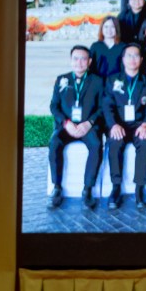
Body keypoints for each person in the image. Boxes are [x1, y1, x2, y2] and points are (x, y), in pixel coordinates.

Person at [46, 46, 104, 209]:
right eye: (76, 58)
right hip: (67, 126)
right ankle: (57, 188)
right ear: (71, 61)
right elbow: (54, 106)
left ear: (89, 61)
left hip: (87, 127)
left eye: (83, 59)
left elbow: (101, 107)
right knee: (54, 143)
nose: (79, 62)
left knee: (96, 145)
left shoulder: (98, 81)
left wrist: (89, 123)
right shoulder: (61, 79)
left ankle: (87, 189)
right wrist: (66, 123)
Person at [101, 44, 146, 210]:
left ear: (141, 59)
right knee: (115, 143)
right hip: (119, 124)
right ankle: (116, 187)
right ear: (123, 59)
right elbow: (107, 106)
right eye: (129, 56)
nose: (132, 59)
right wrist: (113, 125)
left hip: (139, 125)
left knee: (145, 143)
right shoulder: (112, 80)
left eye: (136, 56)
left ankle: (139, 188)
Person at [89, 16, 126, 82]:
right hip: (98, 83)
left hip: (117, 83)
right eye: (106, 27)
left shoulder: (123, 47)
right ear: (102, 28)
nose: (109, 30)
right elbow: (90, 67)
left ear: (117, 29)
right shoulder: (95, 46)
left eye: (112, 27)